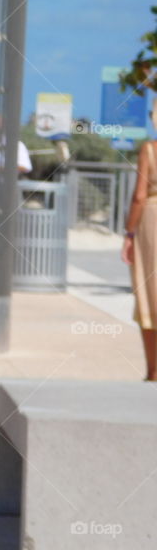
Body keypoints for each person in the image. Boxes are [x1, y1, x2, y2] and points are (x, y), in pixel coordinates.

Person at [121, 102, 157, 382]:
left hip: (152, 224)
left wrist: (129, 233)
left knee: (150, 297)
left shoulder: (150, 149)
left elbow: (139, 196)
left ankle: (154, 371)